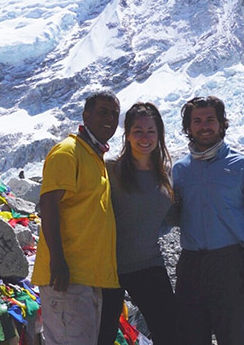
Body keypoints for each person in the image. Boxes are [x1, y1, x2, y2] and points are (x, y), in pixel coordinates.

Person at [172, 96, 244, 345]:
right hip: (190, 264)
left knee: (232, 336)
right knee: (191, 336)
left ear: (221, 124)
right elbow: (169, 216)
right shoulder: (180, 170)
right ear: (188, 128)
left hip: (228, 263)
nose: (204, 126)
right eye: (197, 121)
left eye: (210, 119)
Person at [32, 90, 121, 344]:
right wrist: (58, 261)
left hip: (87, 277)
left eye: (114, 114)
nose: (110, 119)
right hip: (66, 277)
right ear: (86, 115)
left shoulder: (94, 157)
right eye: (103, 112)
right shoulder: (68, 152)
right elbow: (48, 205)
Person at [98, 103, 177, 345]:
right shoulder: (110, 169)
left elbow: (170, 218)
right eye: (138, 131)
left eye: (151, 131)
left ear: (159, 134)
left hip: (149, 264)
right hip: (109, 269)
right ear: (128, 134)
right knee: (103, 337)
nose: (145, 137)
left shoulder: (165, 173)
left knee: (171, 333)